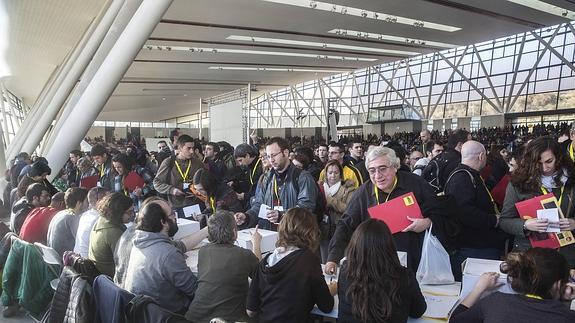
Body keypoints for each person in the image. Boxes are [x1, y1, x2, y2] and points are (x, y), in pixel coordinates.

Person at [326, 146, 440, 273]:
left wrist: (427, 222)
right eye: (372, 170)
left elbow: (439, 211)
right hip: (375, 263)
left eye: (382, 169)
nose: (377, 176)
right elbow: (345, 224)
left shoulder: (415, 183)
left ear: (395, 166)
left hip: (412, 261)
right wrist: (333, 257)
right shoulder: (364, 192)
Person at [246, 208, 334, 322]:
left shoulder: (264, 263)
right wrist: (332, 289)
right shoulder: (308, 261)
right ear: (310, 232)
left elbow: (250, 311)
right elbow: (326, 306)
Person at [500, 136, 575, 267]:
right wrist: (525, 225)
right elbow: (505, 220)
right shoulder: (519, 182)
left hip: (566, 256)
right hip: (530, 257)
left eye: (549, 161)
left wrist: (574, 223)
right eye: (538, 163)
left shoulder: (572, 179)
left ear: (559, 157)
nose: (544, 168)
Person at [450, 248, 575, 322]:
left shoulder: (496, 302)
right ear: (559, 285)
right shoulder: (567, 317)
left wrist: (478, 289)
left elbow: (455, 321)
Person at [337, 219, 426, 322]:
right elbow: (418, 310)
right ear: (390, 246)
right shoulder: (405, 277)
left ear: (355, 245)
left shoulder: (345, 272)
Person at [444, 141, 509, 280]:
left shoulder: (469, 175)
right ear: (481, 156)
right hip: (473, 248)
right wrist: (494, 220)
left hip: (477, 246)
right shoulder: (462, 177)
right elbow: (465, 212)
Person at [123, 197, 198, 314]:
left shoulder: (140, 241)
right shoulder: (168, 254)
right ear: (163, 222)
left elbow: (179, 246)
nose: (175, 217)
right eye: (172, 214)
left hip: (145, 313)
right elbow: (194, 290)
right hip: (171, 314)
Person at [185, 211, 261, 322]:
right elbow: (260, 275)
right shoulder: (244, 255)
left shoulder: (203, 251)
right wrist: (256, 243)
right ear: (234, 232)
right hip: (229, 318)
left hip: (194, 317)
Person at [234, 137, 318, 230]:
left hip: (294, 236)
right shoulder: (265, 178)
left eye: (274, 155)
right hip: (270, 234)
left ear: (285, 153)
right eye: (268, 156)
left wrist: (282, 215)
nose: (271, 160)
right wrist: (247, 217)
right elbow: (259, 205)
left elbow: (306, 209)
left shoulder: (303, 177)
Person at [153, 134, 204, 218]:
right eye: (188, 148)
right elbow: (157, 182)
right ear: (180, 148)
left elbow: (205, 182)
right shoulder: (169, 162)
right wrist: (171, 190)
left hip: (195, 204)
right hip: (176, 206)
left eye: (193, 148)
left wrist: (199, 191)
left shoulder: (198, 163)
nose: (192, 151)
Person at [318, 160, 356, 262]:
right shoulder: (319, 187)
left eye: (336, 172)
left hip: (340, 230)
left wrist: (331, 200)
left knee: (338, 260)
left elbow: (349, 209)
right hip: (323, 230)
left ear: (340, 174)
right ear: (325, 173)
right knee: (324, 260)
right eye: (330, 172)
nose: (333, 175)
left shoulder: (348, 189)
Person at [89, 192, 133, 277]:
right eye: (129, 212)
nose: (132, 215)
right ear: (119, 212)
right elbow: (127, 263)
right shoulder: (114, 233)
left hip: (101, 276)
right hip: (112, 279)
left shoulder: (101, 220)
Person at [47, 188, 89, 256]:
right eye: (87, 201)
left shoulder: (60, 213)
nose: (88, 204)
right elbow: (82, 242)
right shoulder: (72, 218)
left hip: (54, 258)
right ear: (79, 203)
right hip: (65, 260)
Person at [74, 187, 109, 257]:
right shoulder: (100, 219)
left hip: (77, 259)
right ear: (99, 201)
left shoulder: (84, 215)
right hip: (88, 263)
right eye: (109, 199)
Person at [233, 143, 263, 208]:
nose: (240, 164)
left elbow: (258, 188)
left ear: (247, 156)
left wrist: (245, 196)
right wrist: (235, 184)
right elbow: (249, 183)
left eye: (240, 160)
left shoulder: (261, 166)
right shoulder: (250, 167)